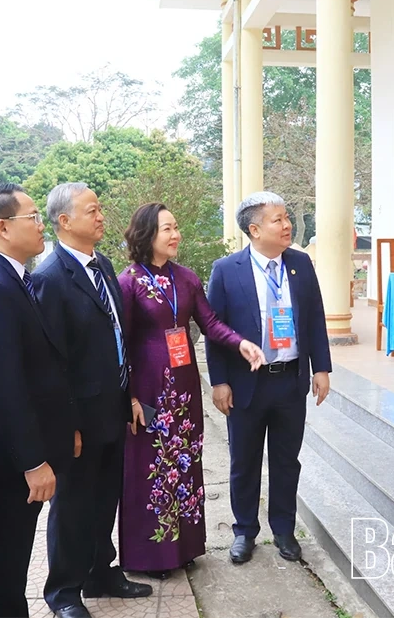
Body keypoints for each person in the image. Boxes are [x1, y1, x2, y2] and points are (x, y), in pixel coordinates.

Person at [117, 203, 263, 579]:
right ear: (148, 234)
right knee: (150, 469)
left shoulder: (187, 278)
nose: (175, 234)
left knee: (183, 465)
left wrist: (240, 343)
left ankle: (184, 549)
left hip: (183, 389)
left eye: (176, 226)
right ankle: (150, 557)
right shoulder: (129, 281)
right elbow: (121, 345)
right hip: (148, 390)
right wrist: (130, 397)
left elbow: (211, 323)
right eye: (167, 228)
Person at [32, 182, 152, 618]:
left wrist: (130, 395)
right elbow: (51, 362)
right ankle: (64, 591)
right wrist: (67, 426)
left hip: (113, 406)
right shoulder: (48, 278)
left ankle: (102, 571)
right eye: (92, 210)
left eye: (100, 209)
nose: (101, 217)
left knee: (105, 498)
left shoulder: (101, 265)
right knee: (72, 506)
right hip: (78, 419)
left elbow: (117, 336)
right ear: (64, 221)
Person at [0, 184, 76, 618]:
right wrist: (32, 461)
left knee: (9, 568)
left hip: (17, 454)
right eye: (33, 217)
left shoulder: (12, 278)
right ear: (4, 227)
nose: (41, 224)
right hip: (7, 463)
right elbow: (2, 385)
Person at [205, 191, 332, 565]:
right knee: (244, 461)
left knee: (286, 460)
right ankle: (244, 531)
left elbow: (315, 317)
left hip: (290, 379)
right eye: (277, 219)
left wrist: (320, 368)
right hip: (247, 383)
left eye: (286, 217)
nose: (287, 224)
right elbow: (215, 329)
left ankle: (283, 530)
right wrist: (219, 382)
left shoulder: (300, 264)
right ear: (255, 229)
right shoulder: (227, 270)